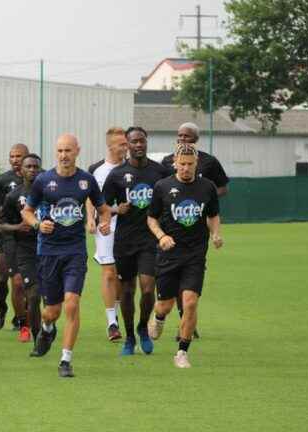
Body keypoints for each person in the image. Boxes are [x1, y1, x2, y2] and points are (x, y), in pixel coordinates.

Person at [21, 134, 112, 378]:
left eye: (68, 150)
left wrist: (104, 223)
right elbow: (27, 212)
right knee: (52, 311)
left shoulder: (86, 180)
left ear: (77, 151)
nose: (64, 155)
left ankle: (65, 360)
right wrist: (39, 224)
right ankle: (48, 329)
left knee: (72, 303)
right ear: (56, 152)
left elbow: (104, 210)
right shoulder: (43, 180)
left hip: (75, 251)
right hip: (48, 252)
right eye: (60, 150)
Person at [146, 142, 223, 368]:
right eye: (182, 164)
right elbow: (151, 219)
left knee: (189, 303)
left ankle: (182, 351)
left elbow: (213, 215)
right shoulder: (162, 186)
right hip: (168, 255)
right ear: (174, 163)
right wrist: (161, 236)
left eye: (190, 164)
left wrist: (215, 234)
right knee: (165, 305)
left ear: (196, 163)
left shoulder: (207, 187)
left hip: (195, 255)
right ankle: (159, 318)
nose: (186, 168)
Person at [102, 127, 170, 355]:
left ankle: (143, 327)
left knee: (148, 287)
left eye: (142, 141)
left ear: (146, 142)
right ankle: (130, 336)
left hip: (150, 239)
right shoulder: (117, 174)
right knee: (128, 291)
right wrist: (115, 210)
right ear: (127, 145)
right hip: (124, 240)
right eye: (134, 142)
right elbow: (101, 209)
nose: (138, 145)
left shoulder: (160, 172)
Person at [161, 122, 229, 339]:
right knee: (169, 288)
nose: (183, 139)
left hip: (196, 225)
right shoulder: (166, 161)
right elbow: (161, 189)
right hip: (170, 229)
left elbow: (223, 187)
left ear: (196, 139)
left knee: (189, 281)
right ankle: (171, 320)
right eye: (180, 135)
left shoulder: (209, 161)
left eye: (188, 136)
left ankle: (186, 325)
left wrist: (201, 198)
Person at [86, 127, 127, 342]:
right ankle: (112, 322)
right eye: (121, 144)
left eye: (126, 143)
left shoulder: (132, 169)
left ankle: (119, 313)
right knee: (109, 272)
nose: (125, 147)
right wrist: (90, 219)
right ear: (110, 146)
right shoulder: (97, 169)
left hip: (131, 228)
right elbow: (89, 197)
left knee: (123, 276)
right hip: (106, 226)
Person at [0, 153, 42, 346]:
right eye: (28, 167)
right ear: (21, 170)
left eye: (35, 167)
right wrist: (17, 227)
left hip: (48, 247)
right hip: (22, 247)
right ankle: (25, 325)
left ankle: (44, 323)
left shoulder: (49, 192)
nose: (32, 170)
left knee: (43, 293)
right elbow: (2, 225)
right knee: (21, 286)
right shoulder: (13, 196)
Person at [0, 143, 29, 330]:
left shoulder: (39, 177)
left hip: (28, 236)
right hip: (4, 235)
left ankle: (22, 319)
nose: (15, 160)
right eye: (12, 156)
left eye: (19, 156)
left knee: (22, 281)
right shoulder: (0, 181)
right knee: (3, 279)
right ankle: (2, 307)